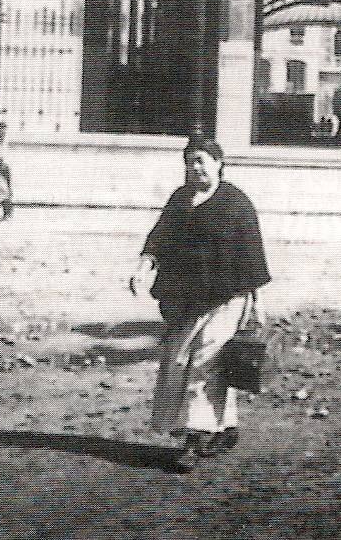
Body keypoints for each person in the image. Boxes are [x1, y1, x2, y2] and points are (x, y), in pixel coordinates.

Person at [134, 134, 270, 472]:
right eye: (189, 162)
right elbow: (159, 236)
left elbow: (252, 256)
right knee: (178, 362)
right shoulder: (180, 199)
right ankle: (226, 426)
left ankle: (194, 440)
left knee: (204, 364)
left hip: (227, 297)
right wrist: (143, 267)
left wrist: (257, 303)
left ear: (219, 163)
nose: (195, 169)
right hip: (184, 298)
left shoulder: (237, 204)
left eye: (201, 162)